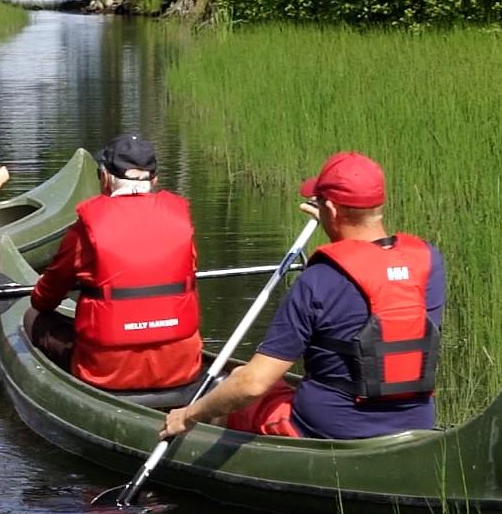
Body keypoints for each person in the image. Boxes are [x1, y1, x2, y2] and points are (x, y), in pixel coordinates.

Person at [159, 150, 439, 441]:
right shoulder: (430, 264)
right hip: (416, 423)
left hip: (326, 430)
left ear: (330, 208)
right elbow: (379, 283)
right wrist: (339, 223)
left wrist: (189, 415)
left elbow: (253, 384)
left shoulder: (319, 278)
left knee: (236, 387)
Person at [26, 133, 201, 392]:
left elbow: (45, 298)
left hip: (106, 373)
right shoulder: (181, 220)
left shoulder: (84, 228)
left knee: (33, 317)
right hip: (181, 368)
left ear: (105, 177)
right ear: (154, 179)